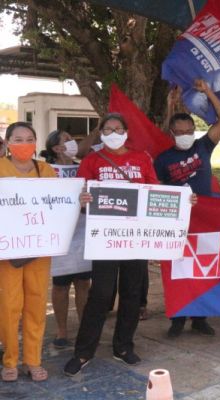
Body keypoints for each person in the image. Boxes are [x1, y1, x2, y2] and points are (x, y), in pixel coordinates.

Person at [63, 113, 162, 376]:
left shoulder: (141, 158)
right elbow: (80, 196)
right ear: (101, 133)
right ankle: (83, 351)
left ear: (126, 132)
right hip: (105, 238)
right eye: (107, 129)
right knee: (101, 294)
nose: (113, 133)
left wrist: (184, 200)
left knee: (132, 293)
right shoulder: (92, 160)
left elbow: (155, 191)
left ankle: (123, 347)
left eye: (118, 128)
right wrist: (82, 200)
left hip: (136, 237)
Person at [154, 79, 220, 338]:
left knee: (204, 268)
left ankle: (200, 318)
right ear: (172, 133)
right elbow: (157, 191)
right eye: (180, 131)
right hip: (177, 223)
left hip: (205, 220)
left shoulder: (203, 146)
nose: (185, 134)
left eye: (189, 130)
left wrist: (208, 92)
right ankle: (177, 319)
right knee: (178, 271)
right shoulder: (163, 160)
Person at [0, 122, 57, 382]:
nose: (24, 144)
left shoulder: (45, 170)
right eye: (18, 139)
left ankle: (33, 360)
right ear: (7, 142)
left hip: (38, 249)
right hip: (7, 250)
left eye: (29, 139)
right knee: (9, 306)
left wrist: (77, 200)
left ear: (36, 142)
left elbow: (59, 203)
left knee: (36, 303)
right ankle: (10, 360)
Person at [40, 130, 91, 349]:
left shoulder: (84, 167)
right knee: (60, 285)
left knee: (83, 283)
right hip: (59, 235)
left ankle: (84, 327)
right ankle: (61, 330)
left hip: (82, 232)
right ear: (56, 148)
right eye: (68, 140)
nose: (73, 142)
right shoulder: (45, 171)